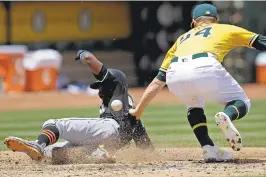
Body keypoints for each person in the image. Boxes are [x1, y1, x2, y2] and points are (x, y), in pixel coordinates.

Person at [129, 3, 266, 162]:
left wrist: (138, 110)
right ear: (216, 20)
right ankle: (226, 116)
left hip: (175, 73)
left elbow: (157, 82)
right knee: (242, 101)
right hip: (204, 66)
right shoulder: (224, 28)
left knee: (193, 103)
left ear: (194, 22)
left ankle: (208, 148)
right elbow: (260, 40)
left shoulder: (181, 39)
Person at [4, 50, 153, 163]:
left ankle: (38, 144)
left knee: (53, 124)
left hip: (110, 127)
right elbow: (139, 132)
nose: (99, 91)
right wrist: (149, 153)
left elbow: (90, 59)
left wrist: (82, 54)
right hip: (105, 141)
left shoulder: (115, 83)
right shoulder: (129, 108)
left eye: (101, 86)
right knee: (56, 153)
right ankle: (100, 156)